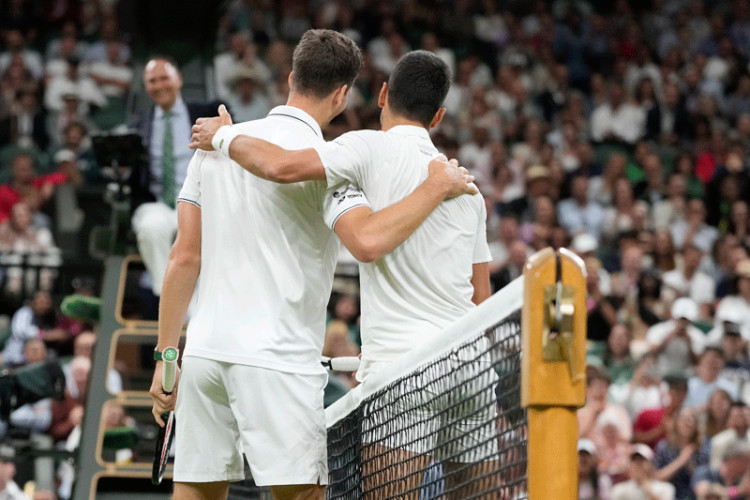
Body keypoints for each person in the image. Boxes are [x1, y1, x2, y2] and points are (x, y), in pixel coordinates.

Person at [150, 31, 475, 500]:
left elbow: (184, 257)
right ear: (343, 95)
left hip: (203, 354)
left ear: (290, 77)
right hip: (278, 362)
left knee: (197, 492)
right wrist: (435, 186)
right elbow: (366, 240)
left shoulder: (215, 144)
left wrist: (167, 359)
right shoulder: (330, 163)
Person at [127, 58, 221, 301]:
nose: (159, 86)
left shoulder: (208, 112)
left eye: (164, 78)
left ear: (178, 80)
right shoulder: (138, 126)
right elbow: (132, 176)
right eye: (152, 81)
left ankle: (196, 309)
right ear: (146, 87)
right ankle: (169, 298)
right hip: (158, 203)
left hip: (201, 201)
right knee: (150, 228)